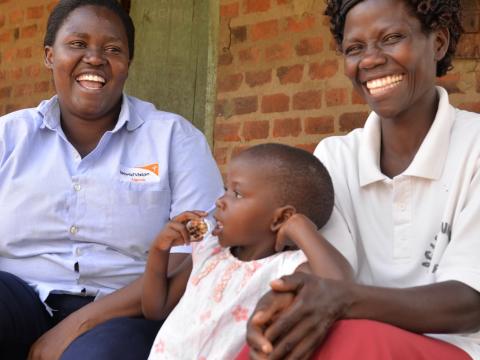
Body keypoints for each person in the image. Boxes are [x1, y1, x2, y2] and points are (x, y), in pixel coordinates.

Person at [242, 0, 480, 359]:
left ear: (439, 42)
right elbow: (326, 275)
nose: (369, 60)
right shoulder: (336, 157)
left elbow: (469, 303)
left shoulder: (474, 148)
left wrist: (341, 300)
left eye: (391, 37)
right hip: (350, 338)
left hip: (453, 347)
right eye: (355, 48)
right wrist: (283, 297)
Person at [0, 0, 223, 359]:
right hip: (17, 298)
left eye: (113, 49)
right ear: (48, 55)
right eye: (77, 44)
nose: (94, 58)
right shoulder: (8, 137)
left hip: (126, 315)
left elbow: (198, 254)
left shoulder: (174, 140)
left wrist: (78, 324)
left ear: (128, 64)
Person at [141, 143, 353, 359]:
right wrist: (159, 249)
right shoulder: (210, 252)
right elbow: (156, 308)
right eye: (226, 190)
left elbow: (339, 287)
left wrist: (301, 227)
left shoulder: (286, 269)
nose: (220, 201)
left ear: (280, 218)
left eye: (238, 194)